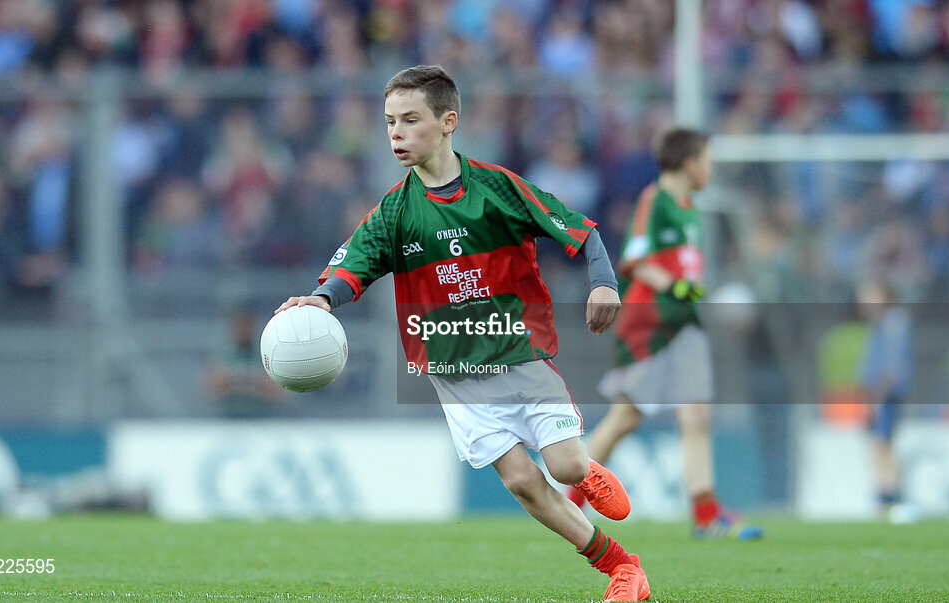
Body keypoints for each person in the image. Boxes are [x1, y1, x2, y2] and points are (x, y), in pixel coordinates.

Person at [275, 65, 650, 602]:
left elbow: (581, 230)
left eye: (410, 119)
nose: (396, 133)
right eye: (389, 122)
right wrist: (321, 300)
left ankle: (585, 468)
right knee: (521, 481)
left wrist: (604, 284)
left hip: (517, 352)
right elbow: (351, 269)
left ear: (448, 121)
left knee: (564, 465)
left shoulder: (497, 187)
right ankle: (622, 568)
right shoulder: (394, 212)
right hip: (456, 374)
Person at [568, 128, 762, 541]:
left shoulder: (689, 207)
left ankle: (706, 515)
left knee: (697, 415)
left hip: (684, 322)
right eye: (707, 160)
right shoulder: (655, 200)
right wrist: (674, 285)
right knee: (624, 419)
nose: (710, 168)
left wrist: (687, 289)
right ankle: (569, 504)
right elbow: (635, 260)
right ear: (690, 162)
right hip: (649, 324)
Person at [856, 278, 914, 522]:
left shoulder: (894, 322)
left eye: (870, 294)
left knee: (883, 444)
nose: (865, 301)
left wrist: (878, 397)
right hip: (879, 394)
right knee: (880, 445)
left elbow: (892, 365)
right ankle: (886, 497)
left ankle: (892, 499)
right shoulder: (880, 324)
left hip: (885, 395)